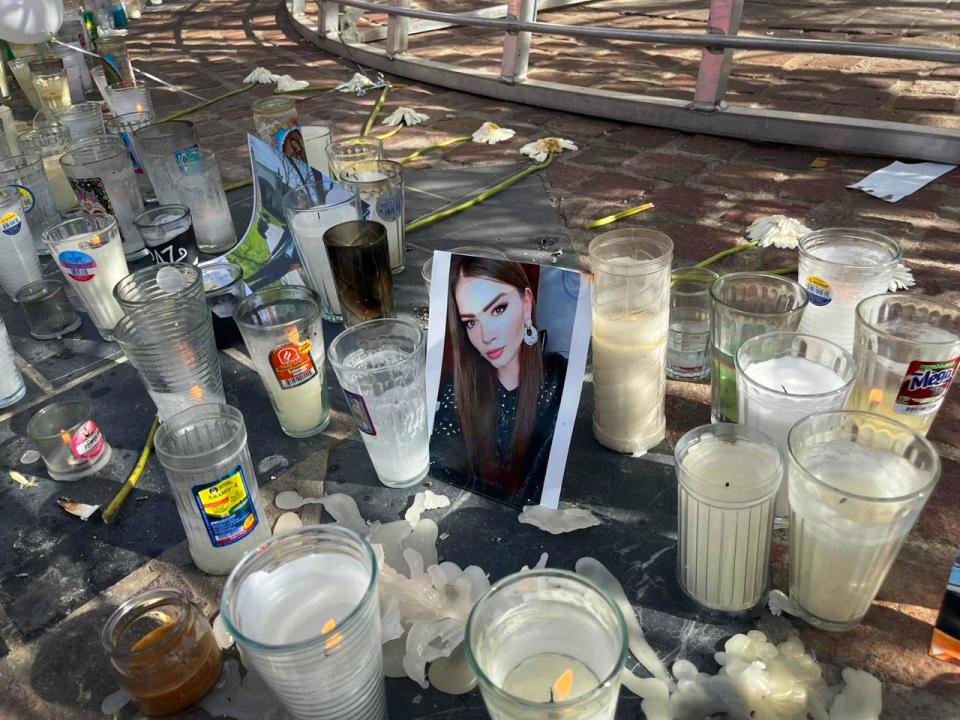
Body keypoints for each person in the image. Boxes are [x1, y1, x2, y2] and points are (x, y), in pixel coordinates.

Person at [432, 256, 567, 506]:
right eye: (471, 322)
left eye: (498, 309)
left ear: (526, 304)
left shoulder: (557, 380)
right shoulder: (463, 384)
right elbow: (441, 454)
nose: (486, 336)